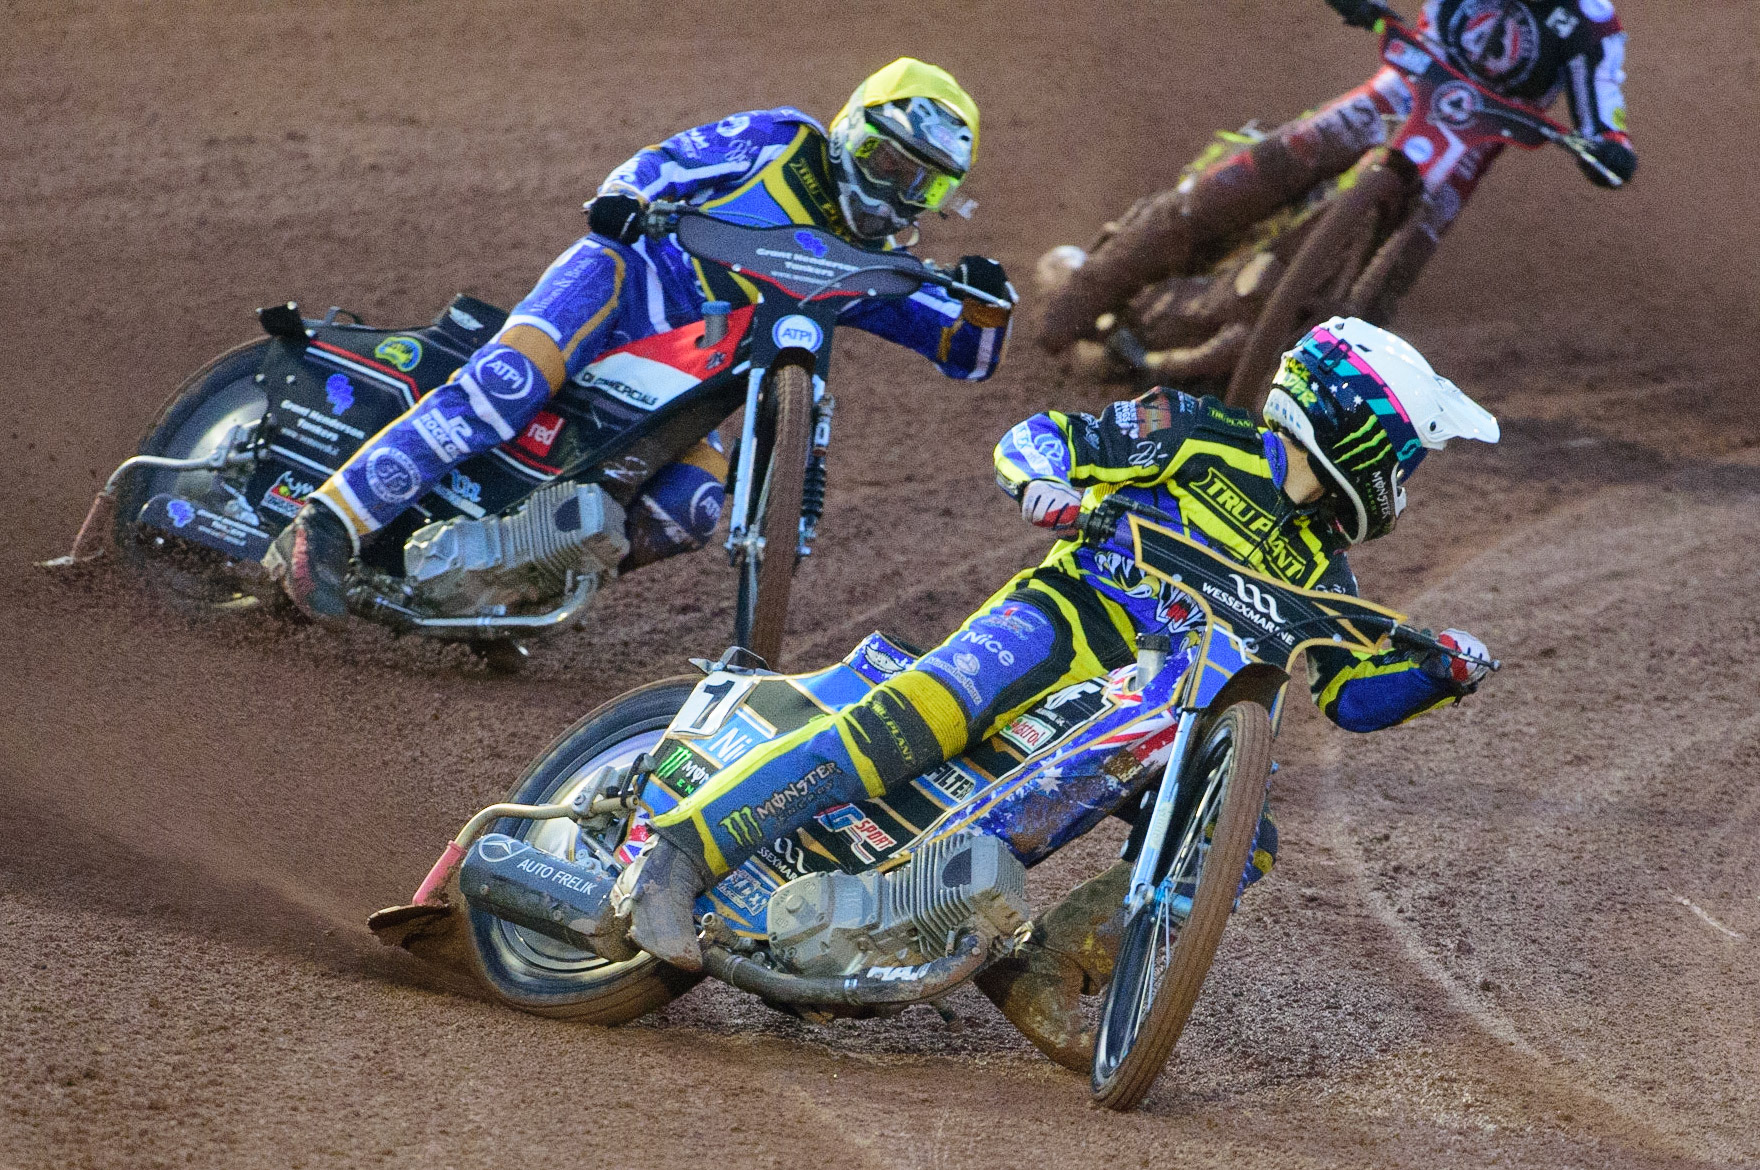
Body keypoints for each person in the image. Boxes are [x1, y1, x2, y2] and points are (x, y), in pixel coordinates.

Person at [616, 316, 1501, 1069]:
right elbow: (1044, 438)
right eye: (1406, 457)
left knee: (1241, 839)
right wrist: (1051, 488)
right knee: (930, 709)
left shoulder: (1326, 574)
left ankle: (1044, 968)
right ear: (1356, 428)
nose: (1404, 482)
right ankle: (678, 855)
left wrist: (1439, 674)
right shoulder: (1196, 430)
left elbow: (1350, 697)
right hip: (1064, 620)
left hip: (1163, 713)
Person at [271, 58, 1016, 620]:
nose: (897, 195)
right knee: (504, 389)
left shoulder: (873, 266)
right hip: (621, 282)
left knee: (691, 507)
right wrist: (625, 199)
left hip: (689, 377)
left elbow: (966, 353)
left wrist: (988, 303)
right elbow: (665, 164)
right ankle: (327, 521)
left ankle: (510, 590)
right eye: (889, 164)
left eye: (924, 186)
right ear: (855, 130)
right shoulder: (780, 141)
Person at [1036, 0, 1637, 353]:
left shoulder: (1593, 28)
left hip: (1461, 155)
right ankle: (1086, 291)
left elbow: (1605, 116)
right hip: (1395, 93)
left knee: (1383, 288)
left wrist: (1609, 151)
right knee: (1254, 174)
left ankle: (1308, 385)